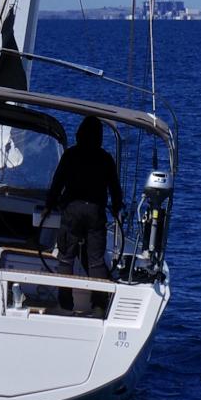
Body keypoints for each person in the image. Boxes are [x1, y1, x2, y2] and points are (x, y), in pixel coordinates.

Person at [44, 114, 123, 308]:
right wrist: (116, 207)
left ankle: (65, 302)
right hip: (95, 211)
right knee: (96, 260)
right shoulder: (105, 158)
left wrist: (49, 205)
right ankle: (98, 304)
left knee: (66, 257)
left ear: (80, 134)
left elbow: (57, 182)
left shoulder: (71, 155)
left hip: (72, 210)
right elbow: (115, 189)